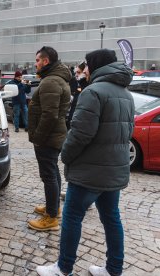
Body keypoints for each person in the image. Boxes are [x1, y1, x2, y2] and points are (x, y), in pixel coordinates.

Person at [36, 49, 134, 276]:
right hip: (113, 170)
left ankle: (63, 268)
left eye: (87, 65)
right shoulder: (126, 93)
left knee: (72, 217)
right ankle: (113, 269)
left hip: (89, 172)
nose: (85, 70)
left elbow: (80, 134)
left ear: (96, 66)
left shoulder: (93, 92)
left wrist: (66, 156)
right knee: (112, 219)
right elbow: (128, 131)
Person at [27, 46, 71, 231]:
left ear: (46, 61)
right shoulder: (55, 78)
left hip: (48, 138)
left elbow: (50, 115)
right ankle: (54, 207)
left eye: (37, 60)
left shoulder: (50, 81)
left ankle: (51, 218)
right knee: (53, 173)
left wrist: (38, 137)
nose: (35, 64)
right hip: (54, 135)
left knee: (49, 176)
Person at [66, 61, 88, 130]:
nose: (76, 75)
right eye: (75, 72)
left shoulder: (87, 89)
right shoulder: (78, 85)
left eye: (78, 72)